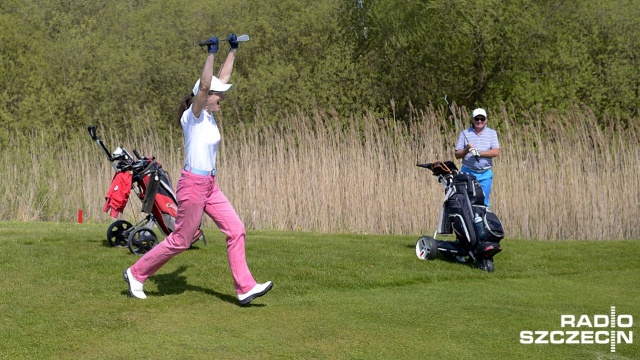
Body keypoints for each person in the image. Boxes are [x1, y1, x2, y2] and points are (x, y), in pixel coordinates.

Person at [123, 34, 273, 305]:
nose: (222, 99)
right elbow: (206, 85)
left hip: (210, 185)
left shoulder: (210, 115)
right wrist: (211, 54)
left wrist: (232, 50)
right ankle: (136, 273)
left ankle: (245, 288)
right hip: (193, 184)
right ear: (204, 97)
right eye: (218, 96)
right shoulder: (192, 116)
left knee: (236, 229)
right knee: (181, 239)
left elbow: (220, 81)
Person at [454, 108, 501, 207]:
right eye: (477, 118)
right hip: (468, 172)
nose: (479, 121)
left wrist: (479, 153)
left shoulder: (492, 133)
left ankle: (483, 221)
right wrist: (467, 149)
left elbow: (496, 152)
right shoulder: (465, 133)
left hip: (485, 174)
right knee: (467, 202)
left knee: (483, 202)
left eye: (482, 119)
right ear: (472, 120)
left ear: (486, 120)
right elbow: (457, 155)